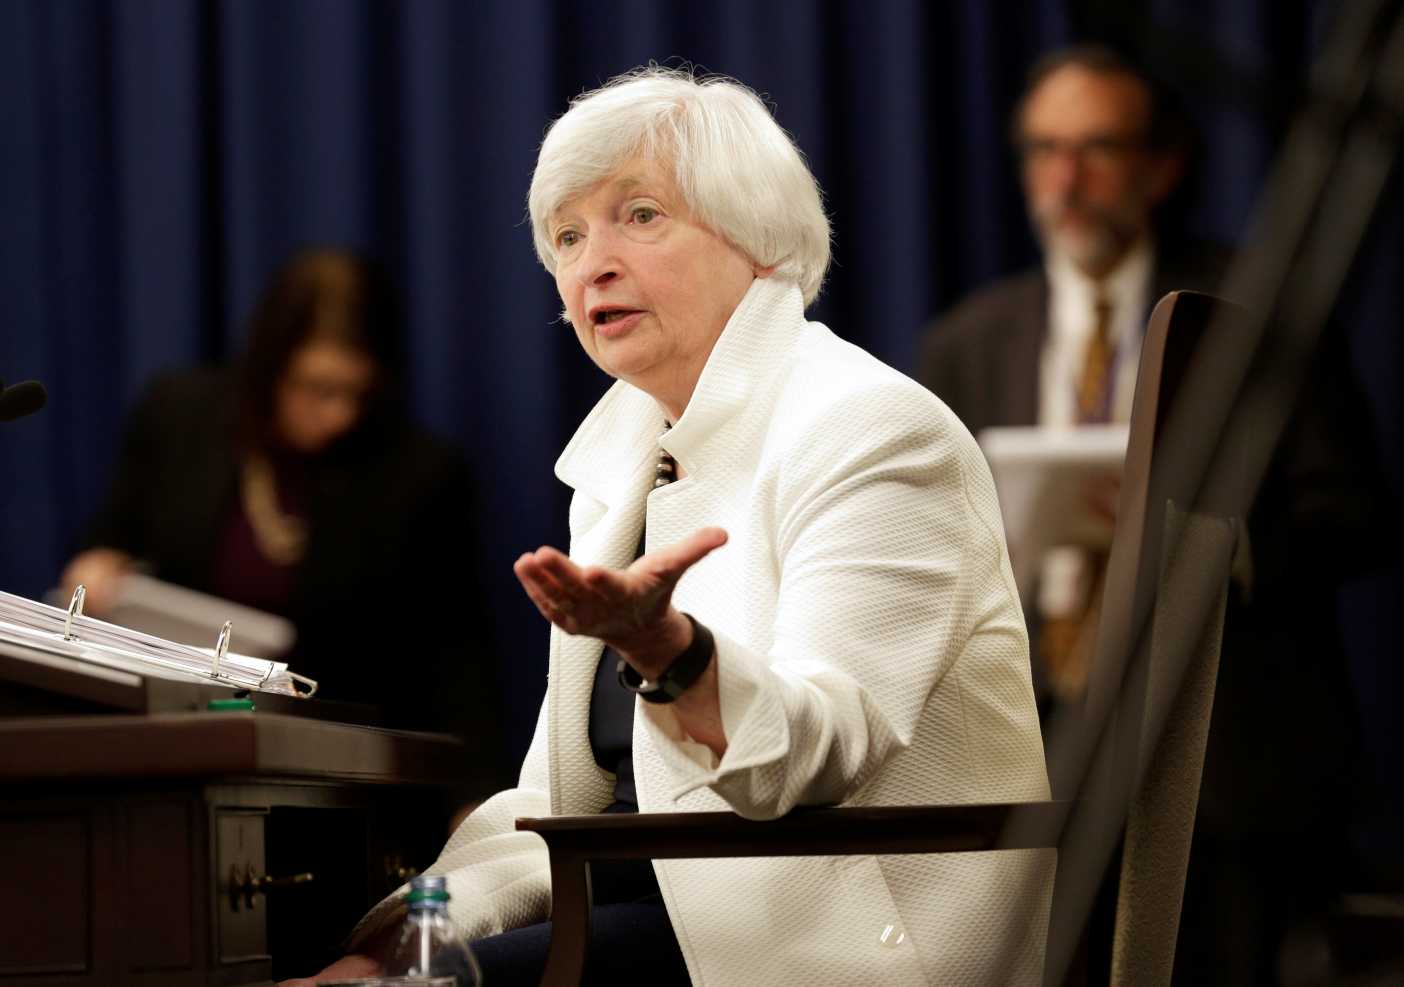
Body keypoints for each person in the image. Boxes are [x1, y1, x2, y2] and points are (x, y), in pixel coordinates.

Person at [292, 67, 1052, 987]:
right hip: (652, 908)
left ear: (760, 241)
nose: (589, 264)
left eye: (639, 215)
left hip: (834, 937)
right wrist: (402, 941)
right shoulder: (619, 459)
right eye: (567, 237)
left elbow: (821, 750)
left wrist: (674, 654)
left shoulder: (870, 427)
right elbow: (557, 800)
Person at [917, 45, 1390, 984]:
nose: (1067, 178)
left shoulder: (1260, 306)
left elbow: (1355, 514)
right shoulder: (968, 339)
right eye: (1044, 150)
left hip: (1228, 748)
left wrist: (1202, 546)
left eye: (1097, 147)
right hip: (1033, 744)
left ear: (1162, 165)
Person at [63, 249, 500, 763]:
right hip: (176, 738)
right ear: (269, 367)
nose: (340, 414)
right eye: (317, 387)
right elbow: (108, 542)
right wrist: (93, 571)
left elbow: (455, 655)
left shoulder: (419, 471)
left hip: (341, 760)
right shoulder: (180, 418)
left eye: (357, 392)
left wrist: (471, 798)